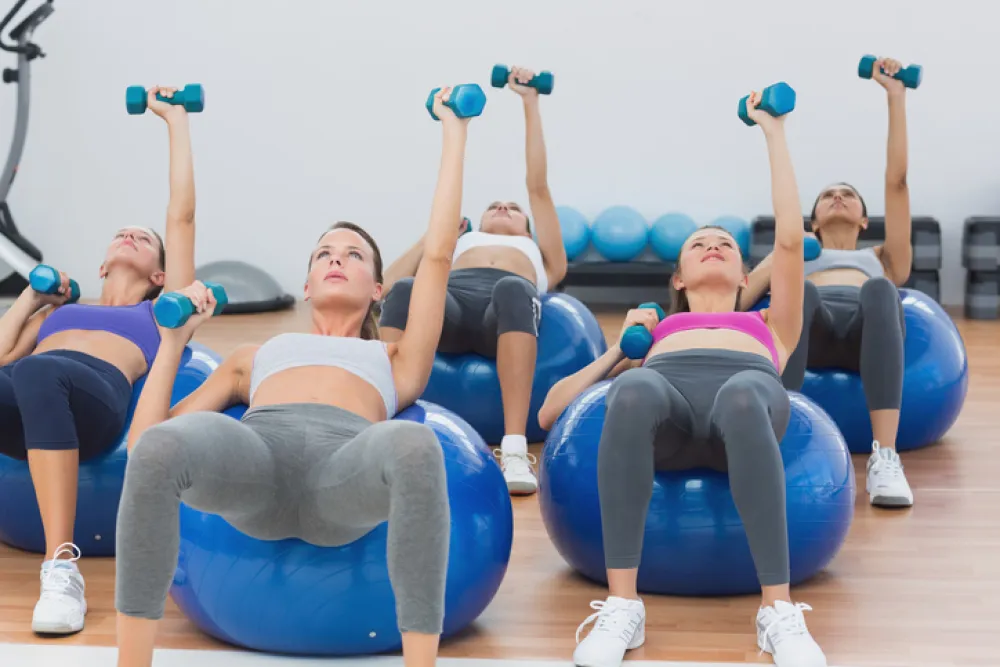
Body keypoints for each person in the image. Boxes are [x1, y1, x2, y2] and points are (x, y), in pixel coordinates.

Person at [113, 88, 471, 667]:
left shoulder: (397, 356)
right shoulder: (257, 352)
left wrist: (454, 131)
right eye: (323, 253)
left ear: (379, 287)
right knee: (159, 451)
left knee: (413, 442)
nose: (336, 259)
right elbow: (144, 446)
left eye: (354, 255)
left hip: (342, 477)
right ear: (306, 285)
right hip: (254, 469)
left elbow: (437, 258)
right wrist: (173, 341)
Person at [538, 91, 827, 667]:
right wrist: (619, 353)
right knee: (634, 388)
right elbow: (550, 415)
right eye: (700, 243)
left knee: (744, 395)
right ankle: (623, 606)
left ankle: (778, 612)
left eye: (725, 244)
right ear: (679, 275)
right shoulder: (658, 328)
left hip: (745, 409)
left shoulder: (770, 321)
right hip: (666, 415)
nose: (714, 246)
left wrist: (774, 132)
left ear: (747, 273)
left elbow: (791, 242)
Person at [0, 87, 197, 636]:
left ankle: (61, 566)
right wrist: (30, 298)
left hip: (95, 405)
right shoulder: (59, 316)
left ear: (161, 273)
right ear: (103, 261)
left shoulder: (159, 311)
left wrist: (174, 121)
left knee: (41, 369)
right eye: (121, 234)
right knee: (32, 369)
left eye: (143, 238)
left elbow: (180, 215)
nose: (130, 235)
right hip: (28, 405)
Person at [379, 66, 567, 496]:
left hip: (503, 309)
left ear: (528, 227)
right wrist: (436, 235)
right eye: (494, 206)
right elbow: (387, 284)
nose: (503, 207)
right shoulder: (462, 240)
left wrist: (529, 102)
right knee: (410, 288)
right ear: (477, 221)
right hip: (451, 306)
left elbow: (537, 186)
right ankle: (378, 422)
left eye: (513, 208)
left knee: (511, 287)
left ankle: (515, 448)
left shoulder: (544, 256)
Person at [742, 56, 913, 509]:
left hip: (865, 332)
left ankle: (886, 459)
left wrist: (895, 97)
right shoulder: (797, 248)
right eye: (827, 196)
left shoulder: (882, 257)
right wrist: (784, 253)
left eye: (848, 195)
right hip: (807, 331)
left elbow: (897, 182)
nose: (837, 197)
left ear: (863, 217)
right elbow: (741, 299)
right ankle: (784, 444)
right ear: (813, 219)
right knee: (805, 290)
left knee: (880, 289)